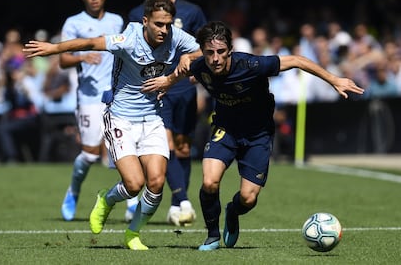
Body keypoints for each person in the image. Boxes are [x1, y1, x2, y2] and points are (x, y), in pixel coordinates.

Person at [142, 21, 365, 251]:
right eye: (209, 53)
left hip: (258, 134)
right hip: (225, 129)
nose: (215, 58)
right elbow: (185, 69)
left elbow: (298, 61)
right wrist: (167, 82)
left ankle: (232, 211)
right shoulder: (201, 66)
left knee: (248, 199)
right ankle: (212, 236)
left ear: (230, 49)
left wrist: (335, 80)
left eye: (220, 52)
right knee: (209, 181)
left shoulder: (252, 64)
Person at [23, 0, 201, 250]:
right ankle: (106, 199)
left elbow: (203, 50)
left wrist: (183, 64)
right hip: (121, 118)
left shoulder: (176, 36)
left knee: (157, 183)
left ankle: (133, 234)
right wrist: (53, 49)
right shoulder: (128, 39)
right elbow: (90, 42)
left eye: (168, 25)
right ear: (145, 21)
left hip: (152, 118)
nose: (164, 30)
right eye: (159, 24)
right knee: (133, 184)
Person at [126, 0, 207, 226]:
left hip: (183, 88)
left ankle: (174, 204)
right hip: (156, 87)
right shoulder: (136, 13)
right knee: (166, 144)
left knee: (182, 148)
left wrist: (195, 67)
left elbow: (205, 44)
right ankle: (183, 200)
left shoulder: (192, 11)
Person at [58, 0, 124, 221]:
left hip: (116, 96)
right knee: (90, 155)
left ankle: (133, 202)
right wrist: (81, 56)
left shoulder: (117, 21)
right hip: (88, 98)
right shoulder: (74, 22)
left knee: (123, 153)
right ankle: (73, 190)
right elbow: (63, 59)